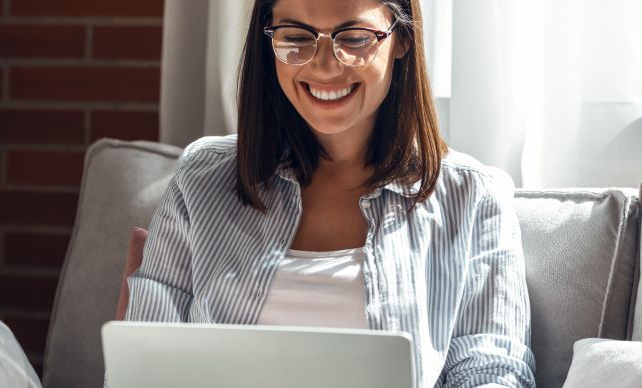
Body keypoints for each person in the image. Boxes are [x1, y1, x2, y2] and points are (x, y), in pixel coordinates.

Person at [125, 0, 534, 386]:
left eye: (354, 38)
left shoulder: (473, 195)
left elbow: (492, 367)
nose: (323, 68)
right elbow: (143, 358)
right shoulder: (203, 177)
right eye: (296, 38)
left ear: (402, 39)